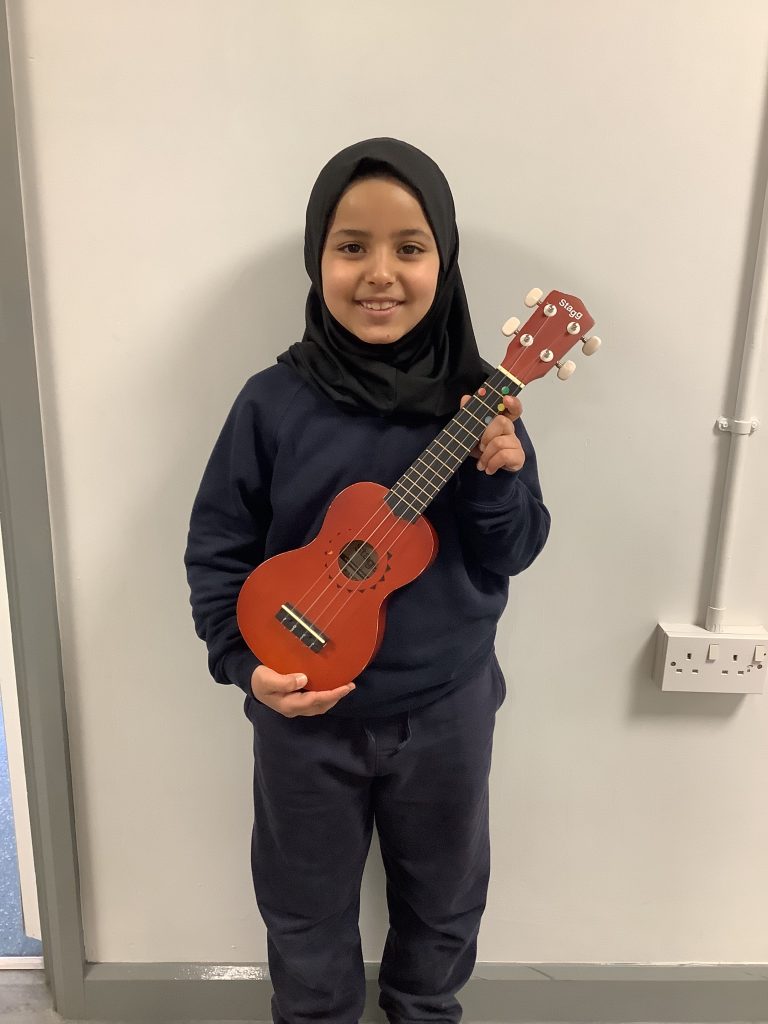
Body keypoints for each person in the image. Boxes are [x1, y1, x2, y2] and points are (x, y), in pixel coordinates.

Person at [184, 137, 550, 1024]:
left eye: (409, 248)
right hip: (303, 709)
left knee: (446, 901)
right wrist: (243, 665)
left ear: (445, 261)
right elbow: (219, 546)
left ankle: (424, 1011)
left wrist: (498, 478)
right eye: (351, 246)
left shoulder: (482, 403)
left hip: (447, 707)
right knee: (303, 912)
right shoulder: (273, 401)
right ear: (319, 258)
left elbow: (513, 549)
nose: (379, 274)